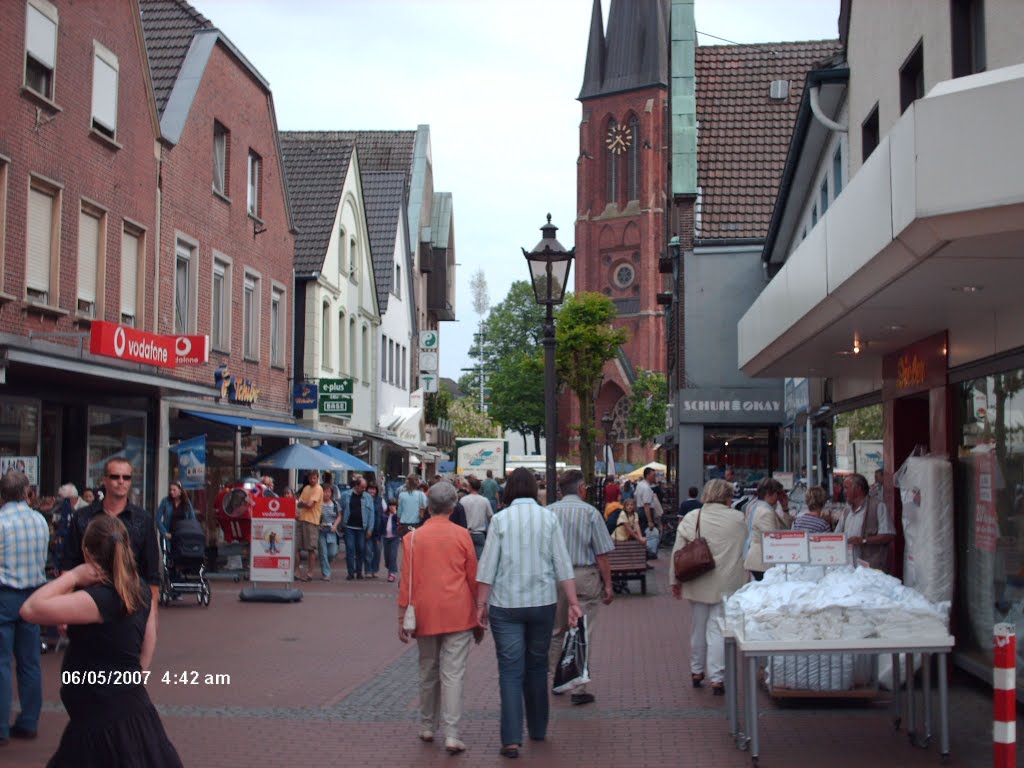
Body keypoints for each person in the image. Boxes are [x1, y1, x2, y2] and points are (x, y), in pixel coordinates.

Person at [21, 514, 183, 767]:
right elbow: (147, 641)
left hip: (103, 717)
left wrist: (73, 576)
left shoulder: (101, 598)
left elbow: (31, 609)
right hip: (122, 709)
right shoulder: (137, 588)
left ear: (87, 552)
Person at [476, 467, 582, 759]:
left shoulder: (500, 520)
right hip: (542, 602)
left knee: (510, 671)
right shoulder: (549, 518)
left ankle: (511, 739)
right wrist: (573, 602)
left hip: (505, 604)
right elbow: (562, 563)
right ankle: (538, 728)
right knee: (537, 667)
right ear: (535, 490)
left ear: (508, 489)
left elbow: (487, 567)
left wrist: (480, 605)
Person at [398, 482, 482, 754]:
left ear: (428, 506)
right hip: (458, 611)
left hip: (424, 612)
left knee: (427, 669)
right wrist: (479, 611)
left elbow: (406, 583)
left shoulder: (412, 539)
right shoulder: (462, 536)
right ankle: (452, 733)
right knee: (453, 673)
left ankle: (426, 725)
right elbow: (472, 577)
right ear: (452, 506)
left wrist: (402, 616)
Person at [62, 457, 161, 661]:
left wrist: (153, 615)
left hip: (129, 605)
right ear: (104, 480)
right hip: (88, 603)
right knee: (81, 667)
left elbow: (151, 573)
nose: (121, 481)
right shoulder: (82, 517)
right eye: (115, 476)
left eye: (126, 477)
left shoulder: (142, 520)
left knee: (124, 669)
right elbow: (68, 563)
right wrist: (64, 607)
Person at [670, 479, 747, 695]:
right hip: (727, 583)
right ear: (727, 496)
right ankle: (717, 677)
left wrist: (674, 581)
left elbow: (678, 551)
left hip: (697, 580)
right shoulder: (739, 518)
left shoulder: (692, 517)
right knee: (716, 629)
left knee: (698, 628)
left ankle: (696, 670)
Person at [545, 469, 615, 707]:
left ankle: (557, 678)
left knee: (557, 630)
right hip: (584, 575)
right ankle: (578, 686)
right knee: (583, 631)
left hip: (556, 577)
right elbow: (602, 553)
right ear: (582, 488)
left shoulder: (549, 512)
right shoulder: (590, 513)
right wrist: (608, 585)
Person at [0, 470, 49, 745]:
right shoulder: (39, 521)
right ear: (26, 492)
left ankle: (0, 726)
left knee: (1, 663)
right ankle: (29, 720)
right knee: (30, 662)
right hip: (33, 594)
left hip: (5, 594)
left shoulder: (0, 522)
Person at [837, 472, 895, 572]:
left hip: (870, 569)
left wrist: (863, 540)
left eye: (847, 488)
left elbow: (889, 535)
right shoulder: (846, 511)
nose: (844, 492)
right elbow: (837, 535)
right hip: (849, 569)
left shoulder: (878, 506)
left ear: (858, 489)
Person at [743, 477, 791, 581]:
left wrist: (785, 508)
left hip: (759, 560)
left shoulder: (756, 506)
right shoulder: (765, 512)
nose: (779, 498)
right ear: (770, 493)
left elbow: (785, 528)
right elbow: (775, 539)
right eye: (777, 494)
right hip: (762, 561)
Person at [339, 475, 375, 580]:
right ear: (356, 486)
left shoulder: (368, 497)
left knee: (361, 549)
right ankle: (350, 572)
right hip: (349, 526)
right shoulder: (346, 495)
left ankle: (359, 572)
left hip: (361, 528)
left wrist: (370, 529)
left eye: (365, 487)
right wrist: (341, 524)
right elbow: (341, 508)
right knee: (350, 549)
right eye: (362, 487)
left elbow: (371, 514)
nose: (364, 489)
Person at [295, 470, 323, 582]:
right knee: (296, 547)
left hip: (312, 521)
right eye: (311, 478)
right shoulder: (306, 488)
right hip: (301, 519)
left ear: (317, 478)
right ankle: (297, 571)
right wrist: (304, 503)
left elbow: (309, 505)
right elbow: (299, 503)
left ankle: (310, 573)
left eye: (314, 478)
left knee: (311, 548)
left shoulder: (318, 489)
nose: (312, 480)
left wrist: (303, 503)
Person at [460, 476, 492, 559]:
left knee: (466, 558)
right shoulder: (484, 500)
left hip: (466, 533)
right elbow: (490, 517)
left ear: (470, 487)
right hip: (480, 533)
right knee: (480, 560)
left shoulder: (463, 500)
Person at [317, 484, 341, 581]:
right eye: (324, 491)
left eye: (328, 492)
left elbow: (339, 516)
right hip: (321, 531)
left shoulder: (335, 504)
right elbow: (314, 516)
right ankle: (326, 573)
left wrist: (335, 525)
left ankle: (326, 564)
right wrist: (318, 525)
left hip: (332, 531)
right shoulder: (318, 504)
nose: (326, 494)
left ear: (331, 493)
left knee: (332, 553)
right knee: (323, 552)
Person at [365, 482, 387, 578]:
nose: (372, 491)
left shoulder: (380, 500)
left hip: (378, 531)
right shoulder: (364, 499)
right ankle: (368, 570)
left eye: (373, 489)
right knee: (368, 552)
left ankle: (374, 570)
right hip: (367, 531)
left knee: (377, 552)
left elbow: (385, 511)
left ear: (376, 491)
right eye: (370, 488)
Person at [382, 499, 401, 582]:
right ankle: (389, 568)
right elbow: (381, 524)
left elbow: (399, 522)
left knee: (393, 555)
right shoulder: (384, 515)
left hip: (395, 537)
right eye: (390, 505)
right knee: (387, 556)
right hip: (386, 537)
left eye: (393, 505)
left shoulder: (397, 515)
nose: (391, 507)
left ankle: (392, 573)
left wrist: (395, 513)